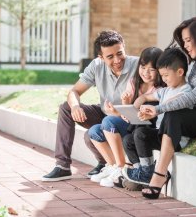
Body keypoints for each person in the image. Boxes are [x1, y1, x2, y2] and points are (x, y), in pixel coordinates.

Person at [135, 16, 196, 199]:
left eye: (189, 40)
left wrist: (159, 109)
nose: (186, 45)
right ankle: (141, 166)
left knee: (173, 115)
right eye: (184, 41)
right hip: (192, 114)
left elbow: (192, 97)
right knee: (145, 130)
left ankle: (159, 175)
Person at [42, 30, 139, 182]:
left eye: (120, 53)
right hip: (106, 114)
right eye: (110, 57)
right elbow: (74, 91)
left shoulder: (138, 65)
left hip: (128, 120)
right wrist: (75, 107)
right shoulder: (96, 66)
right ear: (100, 57)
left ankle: (104, 162)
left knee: (90, 136)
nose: (117, 60)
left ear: (124, 47)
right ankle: (63, 166)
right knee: (66, 108)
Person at [87, 47, 165, 188]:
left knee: (108, 121)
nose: (146, 73)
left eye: (151, 69)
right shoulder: (134, 82)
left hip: (146, 127)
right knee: (94, 131)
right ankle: (113, 166)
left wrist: (118, 114)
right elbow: (129, 114)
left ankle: (121, 167)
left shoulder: (160, 90)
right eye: (143, 67)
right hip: (132, 123)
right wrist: (122, 106)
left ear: (159, 70)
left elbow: (152, 115)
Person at [121, 47, 192, 187]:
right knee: (128, 139)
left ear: (180, 72)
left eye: (166, 75)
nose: (164, 79)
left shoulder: (186, 91)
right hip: (160, 133)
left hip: (174, 138)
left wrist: (154, 109)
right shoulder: (166, 90)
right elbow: (148, 96)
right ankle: (139, 171)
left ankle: (147, 171)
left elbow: (173, 104)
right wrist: (140, 100)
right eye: (162, 76)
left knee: (140, 134)